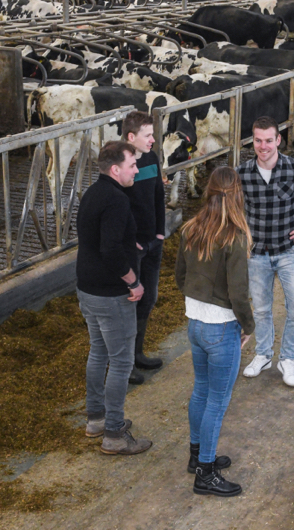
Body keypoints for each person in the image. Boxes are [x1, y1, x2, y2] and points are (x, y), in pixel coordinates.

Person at [175, 166, 254, 497]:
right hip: (221, 328)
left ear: (208, 191)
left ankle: (197, 456)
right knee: (217, 402)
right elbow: (238, 292)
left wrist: (198, 304)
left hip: (194, 324)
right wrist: (248, 325)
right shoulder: (234, 237)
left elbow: (180, 276)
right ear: (237, 196)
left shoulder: (191, 229)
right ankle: (205, 474)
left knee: (201, 391)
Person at [237, 116, 294, 388]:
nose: (263, 146)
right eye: (258, 140)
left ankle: (287, 358)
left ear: (278, 140)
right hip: (257, 255)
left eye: (268, 140)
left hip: (288, 252)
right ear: (252, 141)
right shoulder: (241, 173)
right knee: (262, 309)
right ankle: (263, 354)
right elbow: (229, 205)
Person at [77, 140, 152, 455]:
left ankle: (96, 418)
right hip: (111, 294)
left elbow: (99, 240)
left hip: (87, 288)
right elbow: (109, 249)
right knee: (121, 362)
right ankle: (114, 434)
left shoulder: (92, 194)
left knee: (98, 352)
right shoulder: (117, 200)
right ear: (115, 168)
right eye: (132, 164)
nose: (137, 168)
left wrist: (128, 245)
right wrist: (133, 281)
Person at [121, 111, 166, 385]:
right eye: (148, 135)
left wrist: (160, 233)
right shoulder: (120, 165)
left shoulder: (151, 159)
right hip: (133, 246)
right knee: (129, 302)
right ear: (131, 137)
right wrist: (130, 241)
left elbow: (158, 197)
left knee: (148, 298)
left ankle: (137, 354)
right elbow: (117, 208)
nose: (153, 140)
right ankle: (123, 364)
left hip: (153, 241)